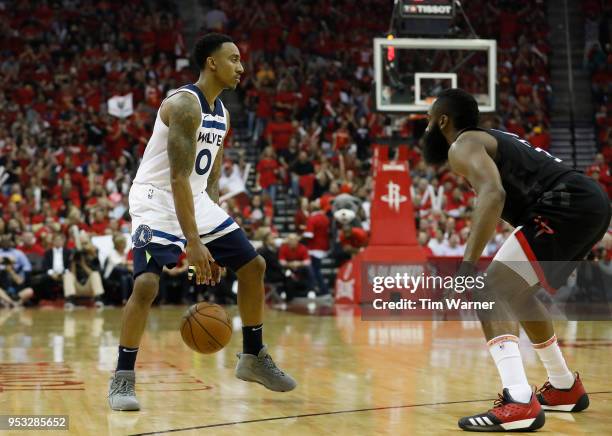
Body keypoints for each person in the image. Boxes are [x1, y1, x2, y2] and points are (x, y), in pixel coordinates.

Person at [108, 33, 296, 411]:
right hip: (155, 198)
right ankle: (122, 379)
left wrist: (209, 224)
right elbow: (176, 178)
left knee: (254, 265)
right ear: (212, 63)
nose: (242, 68)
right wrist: (194, 243)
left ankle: (253, 356)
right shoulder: (184, 105)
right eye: (234, 59)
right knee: (146, 285)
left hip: (194, 197)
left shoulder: (222, 112)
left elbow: (205, 178)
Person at [422, 88, 611, 432]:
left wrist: (467, 265)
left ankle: (520, 402)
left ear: (443, 121)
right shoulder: (490, 139)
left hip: (564, 204)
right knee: (517, 293)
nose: (426, 128)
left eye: (429, 120)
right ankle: (564, 386)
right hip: (585, 202)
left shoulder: (462, 145)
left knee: (489, 288)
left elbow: (494, 194)